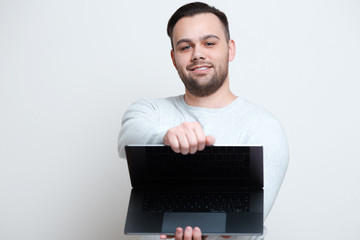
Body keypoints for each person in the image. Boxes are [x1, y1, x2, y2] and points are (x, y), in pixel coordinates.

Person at [118, 2, 289, 240]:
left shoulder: (264, 126)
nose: (198, 54)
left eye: (209, 43)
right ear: (174, 58)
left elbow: (245, 227)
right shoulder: (151, 110)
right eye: (185, 46)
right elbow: (127, 139)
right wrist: (166, 136)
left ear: (230, 50)